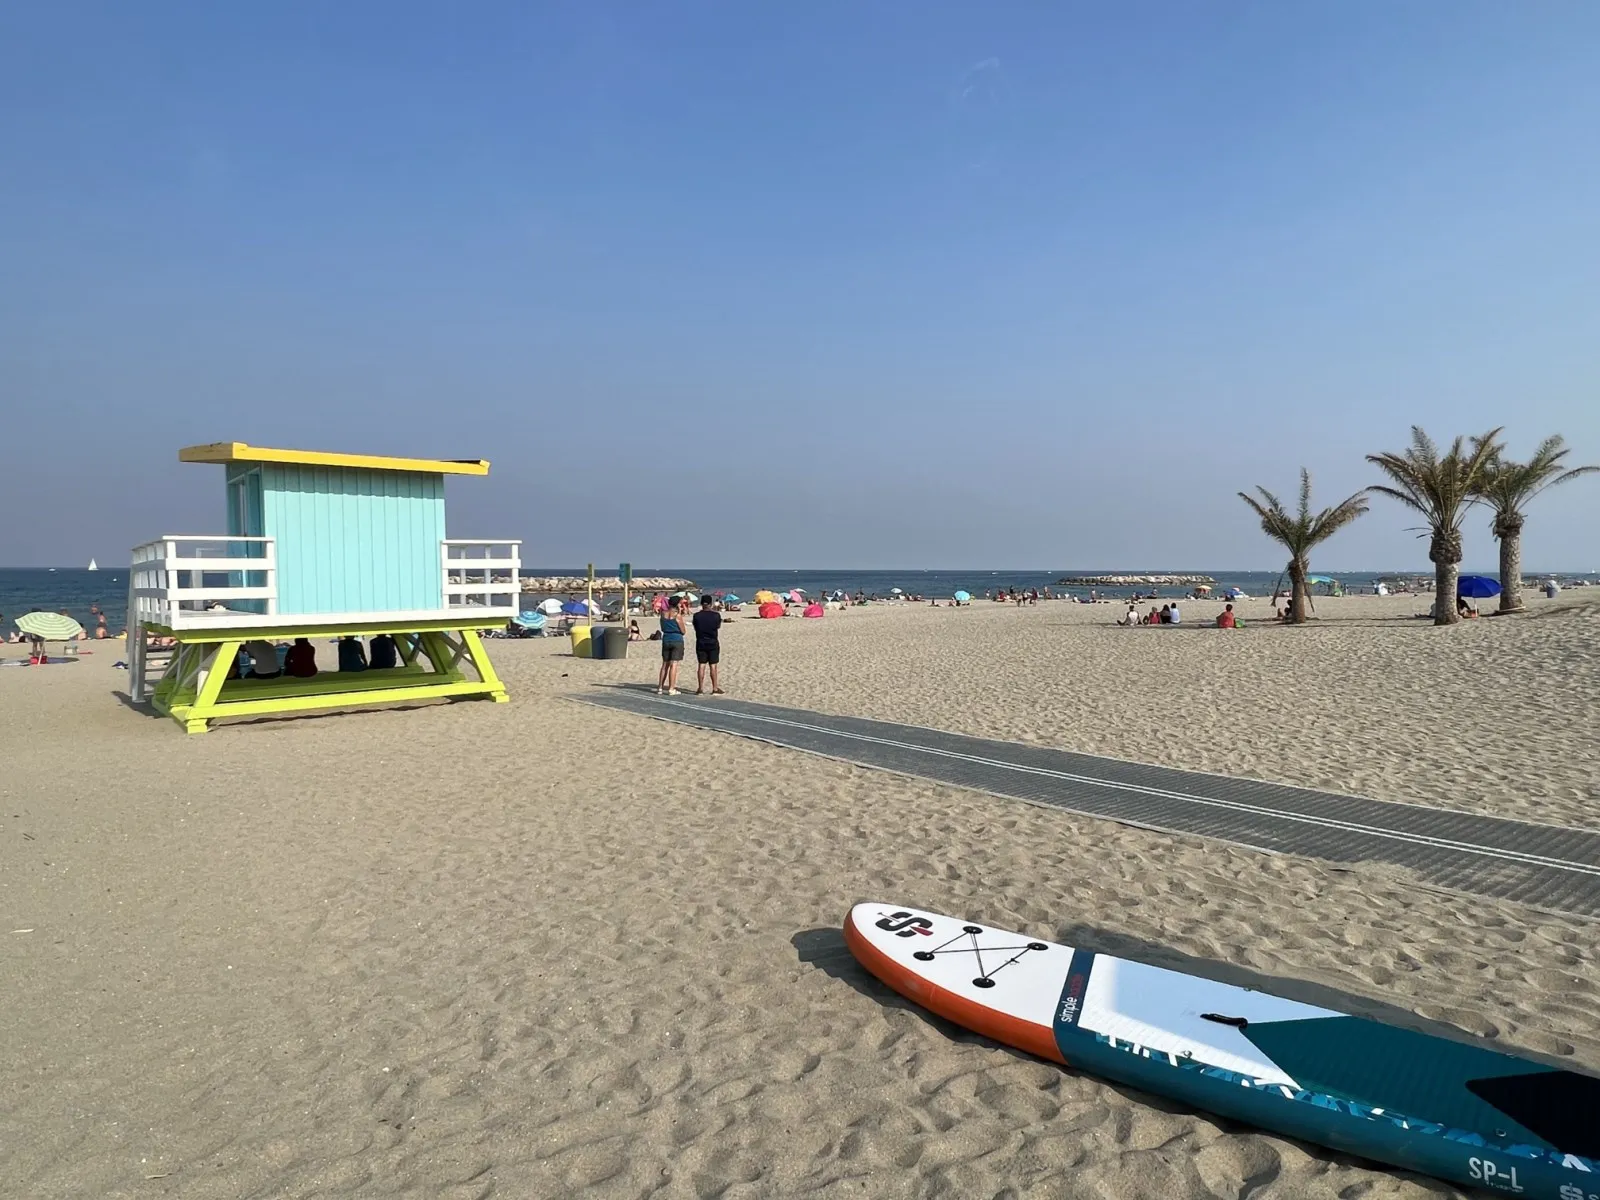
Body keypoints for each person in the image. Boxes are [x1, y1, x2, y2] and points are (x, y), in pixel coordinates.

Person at [692, 593, 724, 695]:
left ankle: (700, 688)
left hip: (701, 641)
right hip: (712, 641)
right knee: (713, 665)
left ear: (702, 604)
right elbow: (718, 626)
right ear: (710, 604)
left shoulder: (696, 616)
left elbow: (695, 627)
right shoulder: (716, 615)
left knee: (701, 665)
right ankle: (714, 688)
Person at [656, 596, 686, 695]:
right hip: (676, 639)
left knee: (665, 664)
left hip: (666, 638)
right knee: (674, 664)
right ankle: (671, 688)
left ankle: (660, 687)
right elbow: (683, 631)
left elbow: (662, 627)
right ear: (677, 604)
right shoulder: (677, 616)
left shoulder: (663, 614)